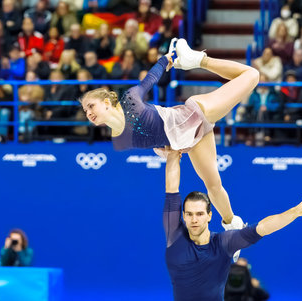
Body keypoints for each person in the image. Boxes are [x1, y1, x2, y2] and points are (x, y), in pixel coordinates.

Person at [81, 38, 259, 230]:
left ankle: (199, 60)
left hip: (192, 115)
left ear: (107, 103)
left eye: (91, 106)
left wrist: (166, 59)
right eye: (85, 110)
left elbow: (151, 78)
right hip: (187, 140)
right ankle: (232, 224)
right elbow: (151, 138)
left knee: (252, 74)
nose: (88, 112)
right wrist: (164, 148)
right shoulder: (119, 140)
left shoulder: (130, 100)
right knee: (213, 185)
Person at [162, 150, 302, 301]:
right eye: (189, 214)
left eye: (199, 214)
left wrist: (295, 211)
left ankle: (231, 221)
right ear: (183, 216)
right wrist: (172, 154)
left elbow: (263, 228)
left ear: (209, 216)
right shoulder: (175, 237)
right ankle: (232, 221)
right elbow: (171, 190)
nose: (194, 219)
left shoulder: (222, 243)